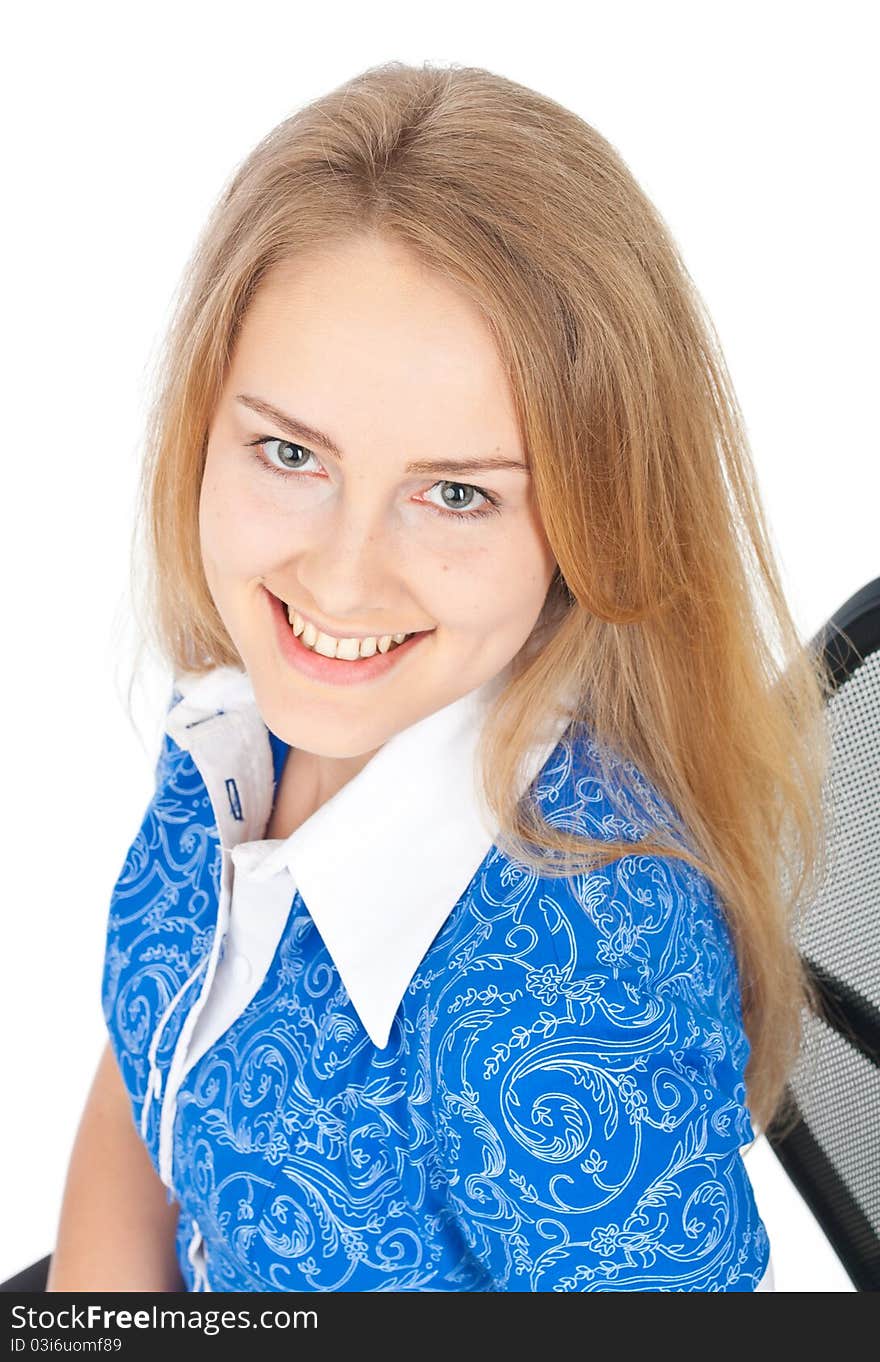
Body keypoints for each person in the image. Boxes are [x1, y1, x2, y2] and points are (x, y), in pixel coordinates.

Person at [45, 60, 833, 1293]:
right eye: (290, 451)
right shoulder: (237, 730)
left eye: (456, 492)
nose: (342, 580)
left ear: (593, 526)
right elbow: (158, 1072)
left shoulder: (568, 1008)